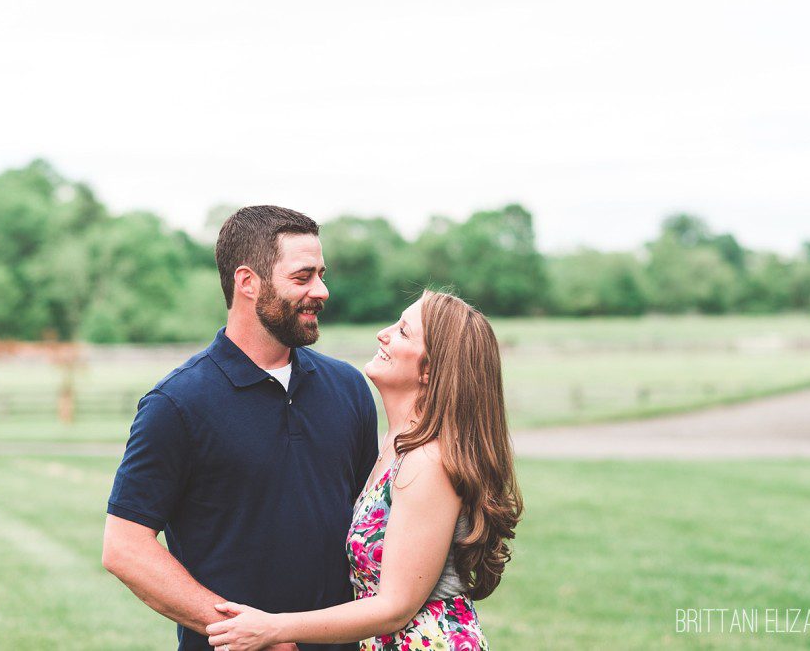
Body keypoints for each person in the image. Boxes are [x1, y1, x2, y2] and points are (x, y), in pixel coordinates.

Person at [102, 205, 379, 651]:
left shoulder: (349, 388)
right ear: (247, 282)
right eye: (303, 277)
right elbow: (125, 547)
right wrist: (248, 633)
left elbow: (371, 524)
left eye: (321, 275)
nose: (322, 291)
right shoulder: (176, 403)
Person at [205, 290, 524, 651]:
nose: (383, 334)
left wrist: (274, 627)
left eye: (403, 331)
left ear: (431, 368)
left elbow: (394, 607)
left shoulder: (426, 462)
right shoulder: (396, 446)